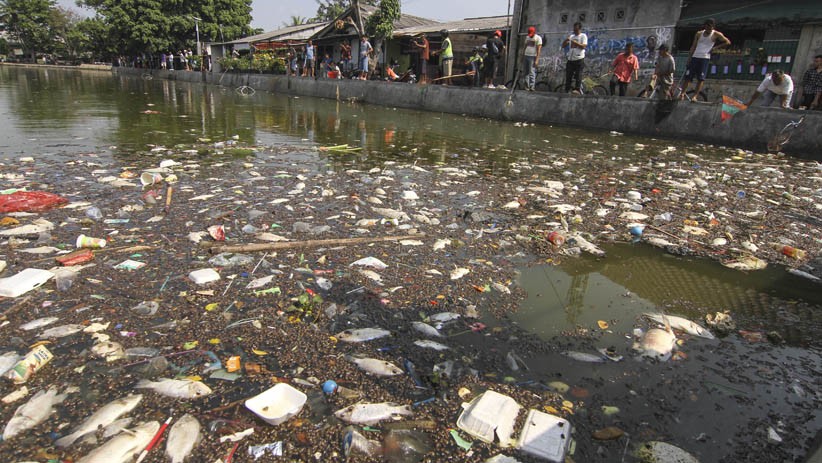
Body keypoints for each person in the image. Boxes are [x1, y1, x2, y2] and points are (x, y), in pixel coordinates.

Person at [680, 18, 730, 101]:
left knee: (701, 78)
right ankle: (682, 94)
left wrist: (715, 48)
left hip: (705, 58)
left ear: (713, 27)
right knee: (688, 77)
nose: (708, 29)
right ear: (705, 26)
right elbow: (693, 46)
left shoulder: (716, 34)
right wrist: (689, 58)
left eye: (710, 28)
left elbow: (727, 42)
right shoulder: (699, 33)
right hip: (695, 56)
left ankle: (695, 96)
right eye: (707, 27)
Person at [562, 22, 587, 93]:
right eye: (574, 29)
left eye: (576, 29)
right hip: (570, 59)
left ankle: (577, 89)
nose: (575, 31)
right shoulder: (571, 36)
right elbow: (563, 46)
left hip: (579, 58)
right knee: (568, 75)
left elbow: (584, 46)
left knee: (578, 75)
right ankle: (567, 89)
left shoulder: (583, 36)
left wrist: (575, 42)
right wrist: (566, 40)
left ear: (579, 29)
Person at [523, 26, 542, 91]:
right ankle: (526, 86)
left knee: (531, 72)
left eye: (531, 34)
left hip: (533, 56)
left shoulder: (538, 38)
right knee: (525, 72)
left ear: (534, 32)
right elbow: (525, 46)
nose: (530, 36)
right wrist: (522, 55)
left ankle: (532, 87)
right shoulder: (527, 37)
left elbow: (539, 50)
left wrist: (537, 59)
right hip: (526, 55)